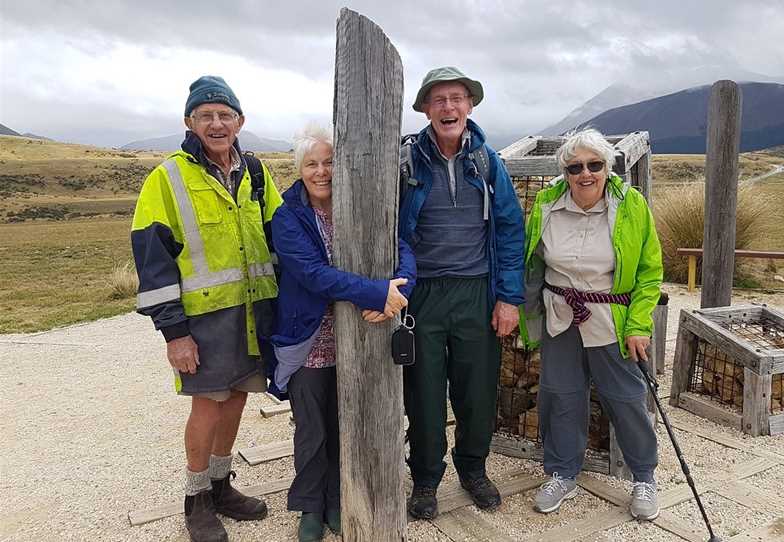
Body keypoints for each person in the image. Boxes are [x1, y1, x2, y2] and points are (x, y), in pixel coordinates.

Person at [131, 75, 282, 542]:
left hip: (254, 313)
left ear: (240, 121)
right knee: (208, 405)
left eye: (224, 115)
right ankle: (196, 498)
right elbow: (152, 260)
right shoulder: (167, 178)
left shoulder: (255, 173)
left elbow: (282, 232)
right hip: (203, 319)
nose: (216, 123)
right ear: (189, 122)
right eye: (205, 115)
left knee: (236, 398)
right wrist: (174, 333)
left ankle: (221, 487)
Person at [268, 124, 416, 542]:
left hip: (360, 337)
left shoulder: (363, 203)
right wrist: (375, 292)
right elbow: (313, 275)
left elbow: (401, 246)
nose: (321, 172)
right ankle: (309, 507)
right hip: (311, 337)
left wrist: (399, 290)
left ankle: (338, 498)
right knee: (312, 427)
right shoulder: (288, 216)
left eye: (330, 162)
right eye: (312, 163)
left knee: (346, 423)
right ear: (300, 169)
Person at [399, 66, 525, 520]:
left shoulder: (488, 162)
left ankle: (473, 470)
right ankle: (426, 480)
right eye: (439, 100)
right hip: (423, 296)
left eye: (456, 98)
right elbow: (390, 230)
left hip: (477, 292)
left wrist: (509, 298)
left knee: (477, 392)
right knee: (424, 395)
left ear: (469, 106)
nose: (448, 107)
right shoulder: (407, 162)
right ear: (426, 110)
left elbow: (511, 230)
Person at [519, 128, 663, 519]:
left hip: (610, 318)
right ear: (564, 171)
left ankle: (644, 477)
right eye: (575, 166)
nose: (586, 174)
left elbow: (650, 272)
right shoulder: (547, 204)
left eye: (595, 165)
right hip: (560, 316)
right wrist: (526, 312)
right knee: (561, 395)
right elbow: (533, 261)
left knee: (626, 398)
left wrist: (638, 324)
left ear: (607, 167)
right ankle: (563, 473)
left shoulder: (631, 205)